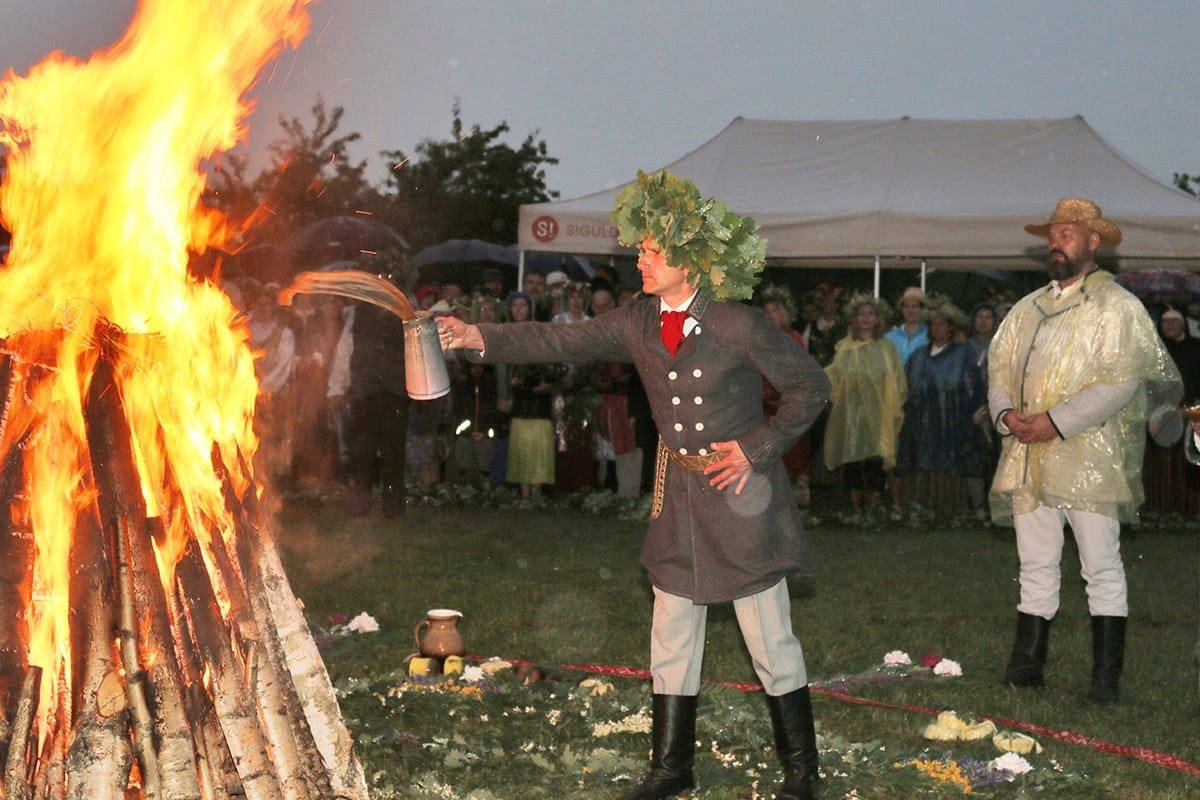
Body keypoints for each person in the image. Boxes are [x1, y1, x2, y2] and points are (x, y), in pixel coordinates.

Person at [438, 169, 830, 800]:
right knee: (671, 630)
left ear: (689, 259)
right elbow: (555, 337)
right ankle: (671, 769)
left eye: (652, 250)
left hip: (742, 501)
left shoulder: (737, 322)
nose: (640, 259)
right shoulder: (636, 322)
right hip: (676, 497)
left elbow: (811, 387)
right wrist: (475, 336)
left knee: (770, 637)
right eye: (640, 249)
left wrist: (757, 449)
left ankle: (802, 773)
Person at [989, 198, 1182, 704]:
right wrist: (1008, 416)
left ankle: (1104, 678)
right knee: (1035, 561)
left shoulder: (1117, 307)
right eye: (1053, 234)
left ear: (1094, 242)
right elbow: (999, 370)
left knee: (1100, 564)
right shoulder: (1026, 308)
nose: (1057, 242)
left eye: (1068, 234)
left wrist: (1054, 422)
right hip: (1028, 455)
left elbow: (1121, 382)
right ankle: (1026, 664)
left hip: (1090, 459)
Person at [822, 293, 907, 515]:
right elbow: (834, 378)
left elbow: (898, 380)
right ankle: (855, 506)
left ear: (878, 319)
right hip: (851, 415)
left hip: (879, 414)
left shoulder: (887, 348)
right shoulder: (844, 348)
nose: (866, 318)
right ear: (854, 318)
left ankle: (874, 504)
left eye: (871, 314)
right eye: (862, 314)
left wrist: (893, 406)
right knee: (852, 457)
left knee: (875, 458)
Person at [894, 296, 973, 517]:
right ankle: (919, 508)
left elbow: (969, 386)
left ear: (950, 328)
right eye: (934, 324)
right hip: (920, 421)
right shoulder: (918, 356)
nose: (938, 328)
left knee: (947, 462)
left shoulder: (961, 354)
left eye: (942, 324)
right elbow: (906, 386)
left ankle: (948, 509)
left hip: (950, 418)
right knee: (920, 458)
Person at [884, 286, 929, 366]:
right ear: (902, 310)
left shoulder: (930, 335)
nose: (910, 310)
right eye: (906, 306)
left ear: (922, 309)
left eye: (914, 306)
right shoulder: (890, 337)